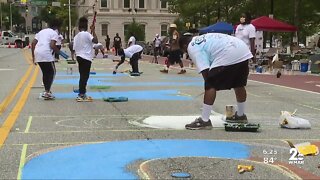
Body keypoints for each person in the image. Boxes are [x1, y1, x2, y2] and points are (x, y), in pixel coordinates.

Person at [178, 33, 253, 130]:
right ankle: (241, 115)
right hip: (242, 48)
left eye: (185, 51)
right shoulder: (203, 38)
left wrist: (210, 86)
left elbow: (205, 71)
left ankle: (204, 120)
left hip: (228, 51)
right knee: (238, 84)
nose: (187, 54)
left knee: (210, 84)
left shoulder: (192, 47)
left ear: (184, 46)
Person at [31, 18, 62, 100]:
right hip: (46, 53)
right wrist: (60, 53)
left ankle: (46, 90)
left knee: (45, 73)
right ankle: (47, 92)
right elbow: (52, 45)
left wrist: (33, 57)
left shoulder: (41, 32)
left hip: (38, 53)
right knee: (52, 72)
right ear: (56, 27)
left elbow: (33, 43)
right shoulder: (54, 33)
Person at [73, 17, 98, 101]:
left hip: (79, 57)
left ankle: (82, 92)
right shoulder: (87, 34)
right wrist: (93, 31)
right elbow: (96, 41)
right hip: (86, 57)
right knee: (85, 76)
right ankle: (82, 94)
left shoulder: (76, 36)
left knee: (82, 76)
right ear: (86, 26)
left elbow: (74, 48)